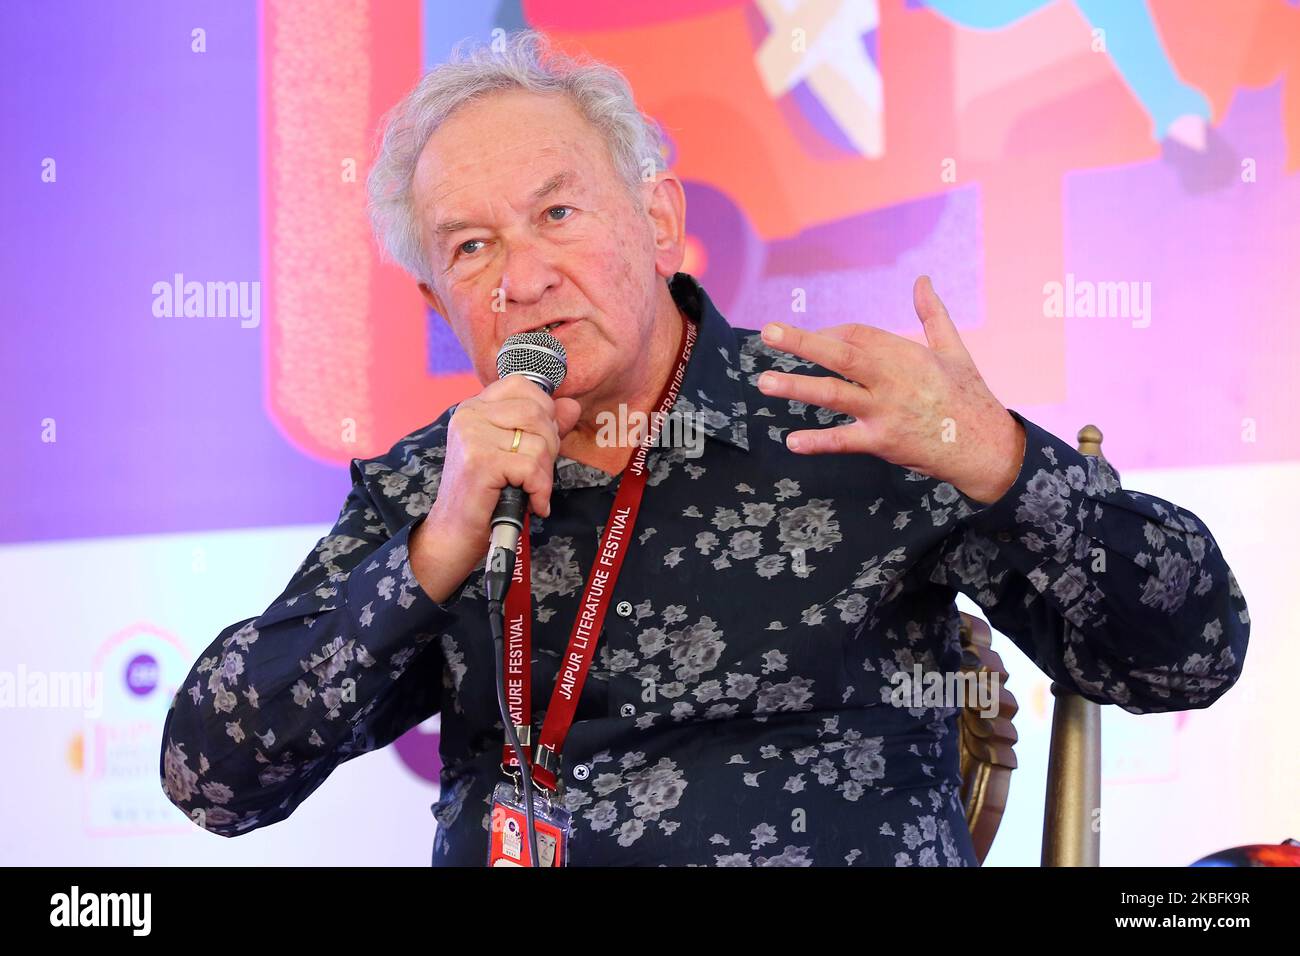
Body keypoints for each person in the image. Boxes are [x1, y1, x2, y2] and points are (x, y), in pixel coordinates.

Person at [159, 30, 1249, 866]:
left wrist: (1002, 461)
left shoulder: (856, 420)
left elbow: (1188, 653)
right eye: (472, 244)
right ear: (436, 299)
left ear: (659, 220)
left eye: (556, 213)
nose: (524, 276)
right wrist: (431, 552)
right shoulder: (431, 483)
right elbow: (214, 777)